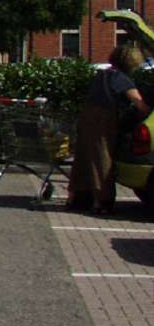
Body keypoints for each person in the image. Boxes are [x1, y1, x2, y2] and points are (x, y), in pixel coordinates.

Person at [66, 45, 149, 215]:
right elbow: (139, 103)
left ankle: (77, 197)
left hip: (87, 116)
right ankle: (102, 201)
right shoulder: (121, 78)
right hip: (103, 119)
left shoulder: (102, 74)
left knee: (83, 157)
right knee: (102, 158)